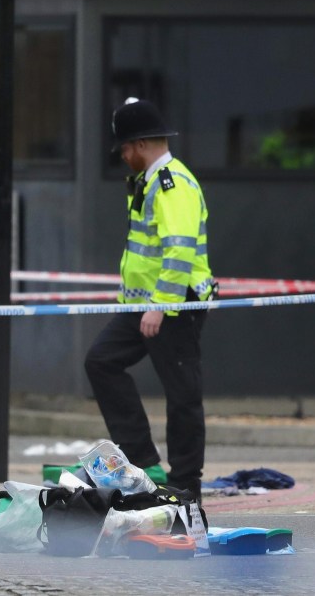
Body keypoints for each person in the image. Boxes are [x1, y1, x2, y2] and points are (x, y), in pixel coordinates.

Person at [84, 98, 215, 500]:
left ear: (139, 145)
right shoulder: (150, 182)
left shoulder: (173, 184)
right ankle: (140, 457)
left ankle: (186, 483)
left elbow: (179, 250)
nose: (123, 156)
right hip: (143, 305)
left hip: (176, 305)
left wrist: (159, 304)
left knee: (182, 393)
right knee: (101, 361)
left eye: (124, 148)